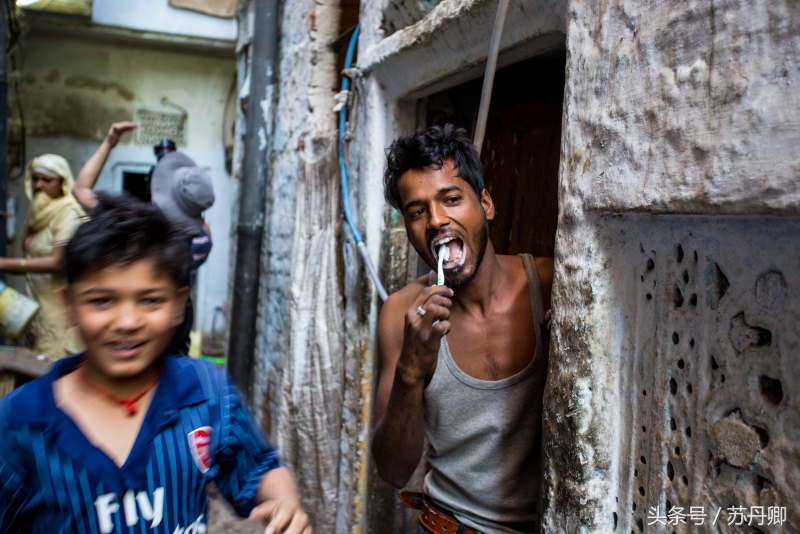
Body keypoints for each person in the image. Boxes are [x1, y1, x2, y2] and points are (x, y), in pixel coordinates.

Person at [0, 195, 311, 533]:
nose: (127, 321)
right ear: (69, 304)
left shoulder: (207, 395)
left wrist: (283, 500)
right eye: (102, 300)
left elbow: (259, 467)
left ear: (179, 304)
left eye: (150, 300)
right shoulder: (21, 425)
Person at [371, 124, 554, 533]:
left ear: (485, 204)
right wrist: (410, 370)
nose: (436, 220)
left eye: (451, 199)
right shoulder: (402, 314)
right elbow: (393, 470)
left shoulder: (549, 284)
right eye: (417, 211)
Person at [74, 122, 214, 353]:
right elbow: (196, 220)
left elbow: (81, 190)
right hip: (176, 348)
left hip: (135, 351)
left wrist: (110, 142)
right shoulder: (203, 242)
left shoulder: (139, 233)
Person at [0, 154, 87, 360]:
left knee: (54, 372)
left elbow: (58, 263)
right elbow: (30, 263)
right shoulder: (37, 214)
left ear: (62, 183)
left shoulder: (68, 213)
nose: (39, 185)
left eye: (47, 180)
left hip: (59, 315)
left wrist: (3, 263)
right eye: (35, 179)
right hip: (35, 312)